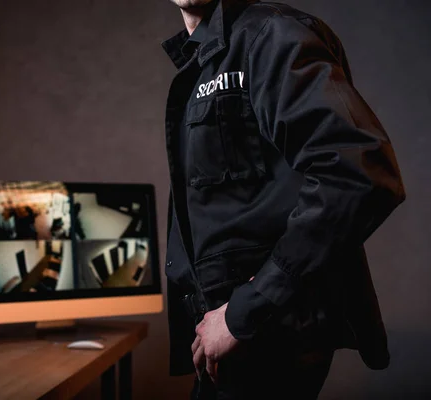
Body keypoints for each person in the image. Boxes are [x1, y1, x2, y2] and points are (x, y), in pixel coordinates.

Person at [161, 0, 406, 398]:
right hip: (232, 337)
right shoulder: (209, 56)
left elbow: (358, 172)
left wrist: (245, 311)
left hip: (266, 332)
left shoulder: (271, 35)